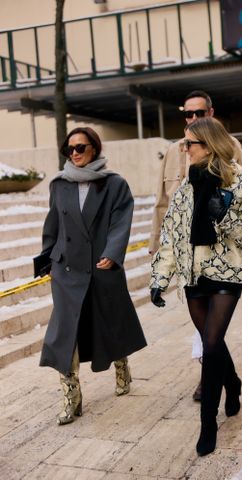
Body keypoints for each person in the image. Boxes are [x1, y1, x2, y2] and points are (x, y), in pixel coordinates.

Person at [150, 117, 242, 456]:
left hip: (228, 271)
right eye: (184, 143)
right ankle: (233, 383)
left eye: (191, 144)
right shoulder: (186, 187)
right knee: (211, 343)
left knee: (211, 341)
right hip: (193, 273)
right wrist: (160, 278)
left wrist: (225, 217)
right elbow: (172, 237)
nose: (185, 150)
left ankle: (208, 423)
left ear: (210, 144)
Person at [38, 127, 147, 425]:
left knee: (109, 322)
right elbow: (53, 224)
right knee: (65, 333)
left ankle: (121, 364)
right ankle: (71, 396)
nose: (74, 153)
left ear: (95, 149)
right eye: (69, 148)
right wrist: (47, 259)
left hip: (101, 265)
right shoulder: (59, 184)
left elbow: (121, 220)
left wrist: (113, 253)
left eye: (81, 147)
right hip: (66, 268)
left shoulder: (114, 184)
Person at [149, 90, 242, 402]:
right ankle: (229, 379)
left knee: (210, 325)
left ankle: (211, 380)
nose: (192, 119)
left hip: (218, 252)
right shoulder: (173, 150)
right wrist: (157, 248)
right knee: (203, 322)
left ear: (212, 112)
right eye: (188, 114)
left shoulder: (231, 146)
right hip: (183, 251)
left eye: (199, 113)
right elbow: (161, 204)